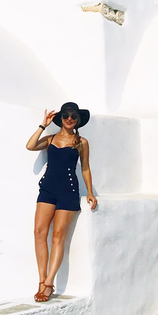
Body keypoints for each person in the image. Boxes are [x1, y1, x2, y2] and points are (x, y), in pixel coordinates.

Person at [26, 101, 97, 302]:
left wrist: (90, 192)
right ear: (61, 118)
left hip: (68, 191)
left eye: (73, 116)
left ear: (78, 120)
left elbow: (85, 168)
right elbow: (30, 145)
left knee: (58, 236)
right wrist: (43, 125)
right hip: (47, 189)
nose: (69, 119)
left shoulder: (81, 142)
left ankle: (49, 284)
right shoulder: (50, 139)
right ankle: (41, 280)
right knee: (39, 232)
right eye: (66, 115)